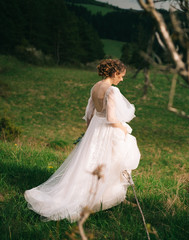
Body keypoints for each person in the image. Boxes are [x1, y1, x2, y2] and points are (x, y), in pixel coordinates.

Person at [24, 59, 141, 222]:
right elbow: (111, 117)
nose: (121, 79)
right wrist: (123, 129)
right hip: (107, 129)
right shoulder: (112, 91)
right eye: (121, 76)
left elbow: (89, 114)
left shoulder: (95, 87)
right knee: (113, 162)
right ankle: (106, 198)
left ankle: (107, 196)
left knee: (90, 163)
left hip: (95, 127)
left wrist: (89, 133)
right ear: (114, 73)